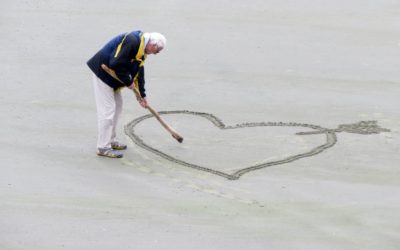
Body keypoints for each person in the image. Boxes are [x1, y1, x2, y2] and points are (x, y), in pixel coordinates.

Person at [87, 30, 166, 158]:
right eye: (157, 51)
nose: (155, 54)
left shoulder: (142, 50)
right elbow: (115, 63)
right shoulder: (133, 41)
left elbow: (139, 72)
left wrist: (142, 95)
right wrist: (128, 82)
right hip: (102, 74)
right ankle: (103, 147)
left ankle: (111, 140)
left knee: (117, 108)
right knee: (107, 111)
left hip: (113, 79)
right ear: (153, 45)